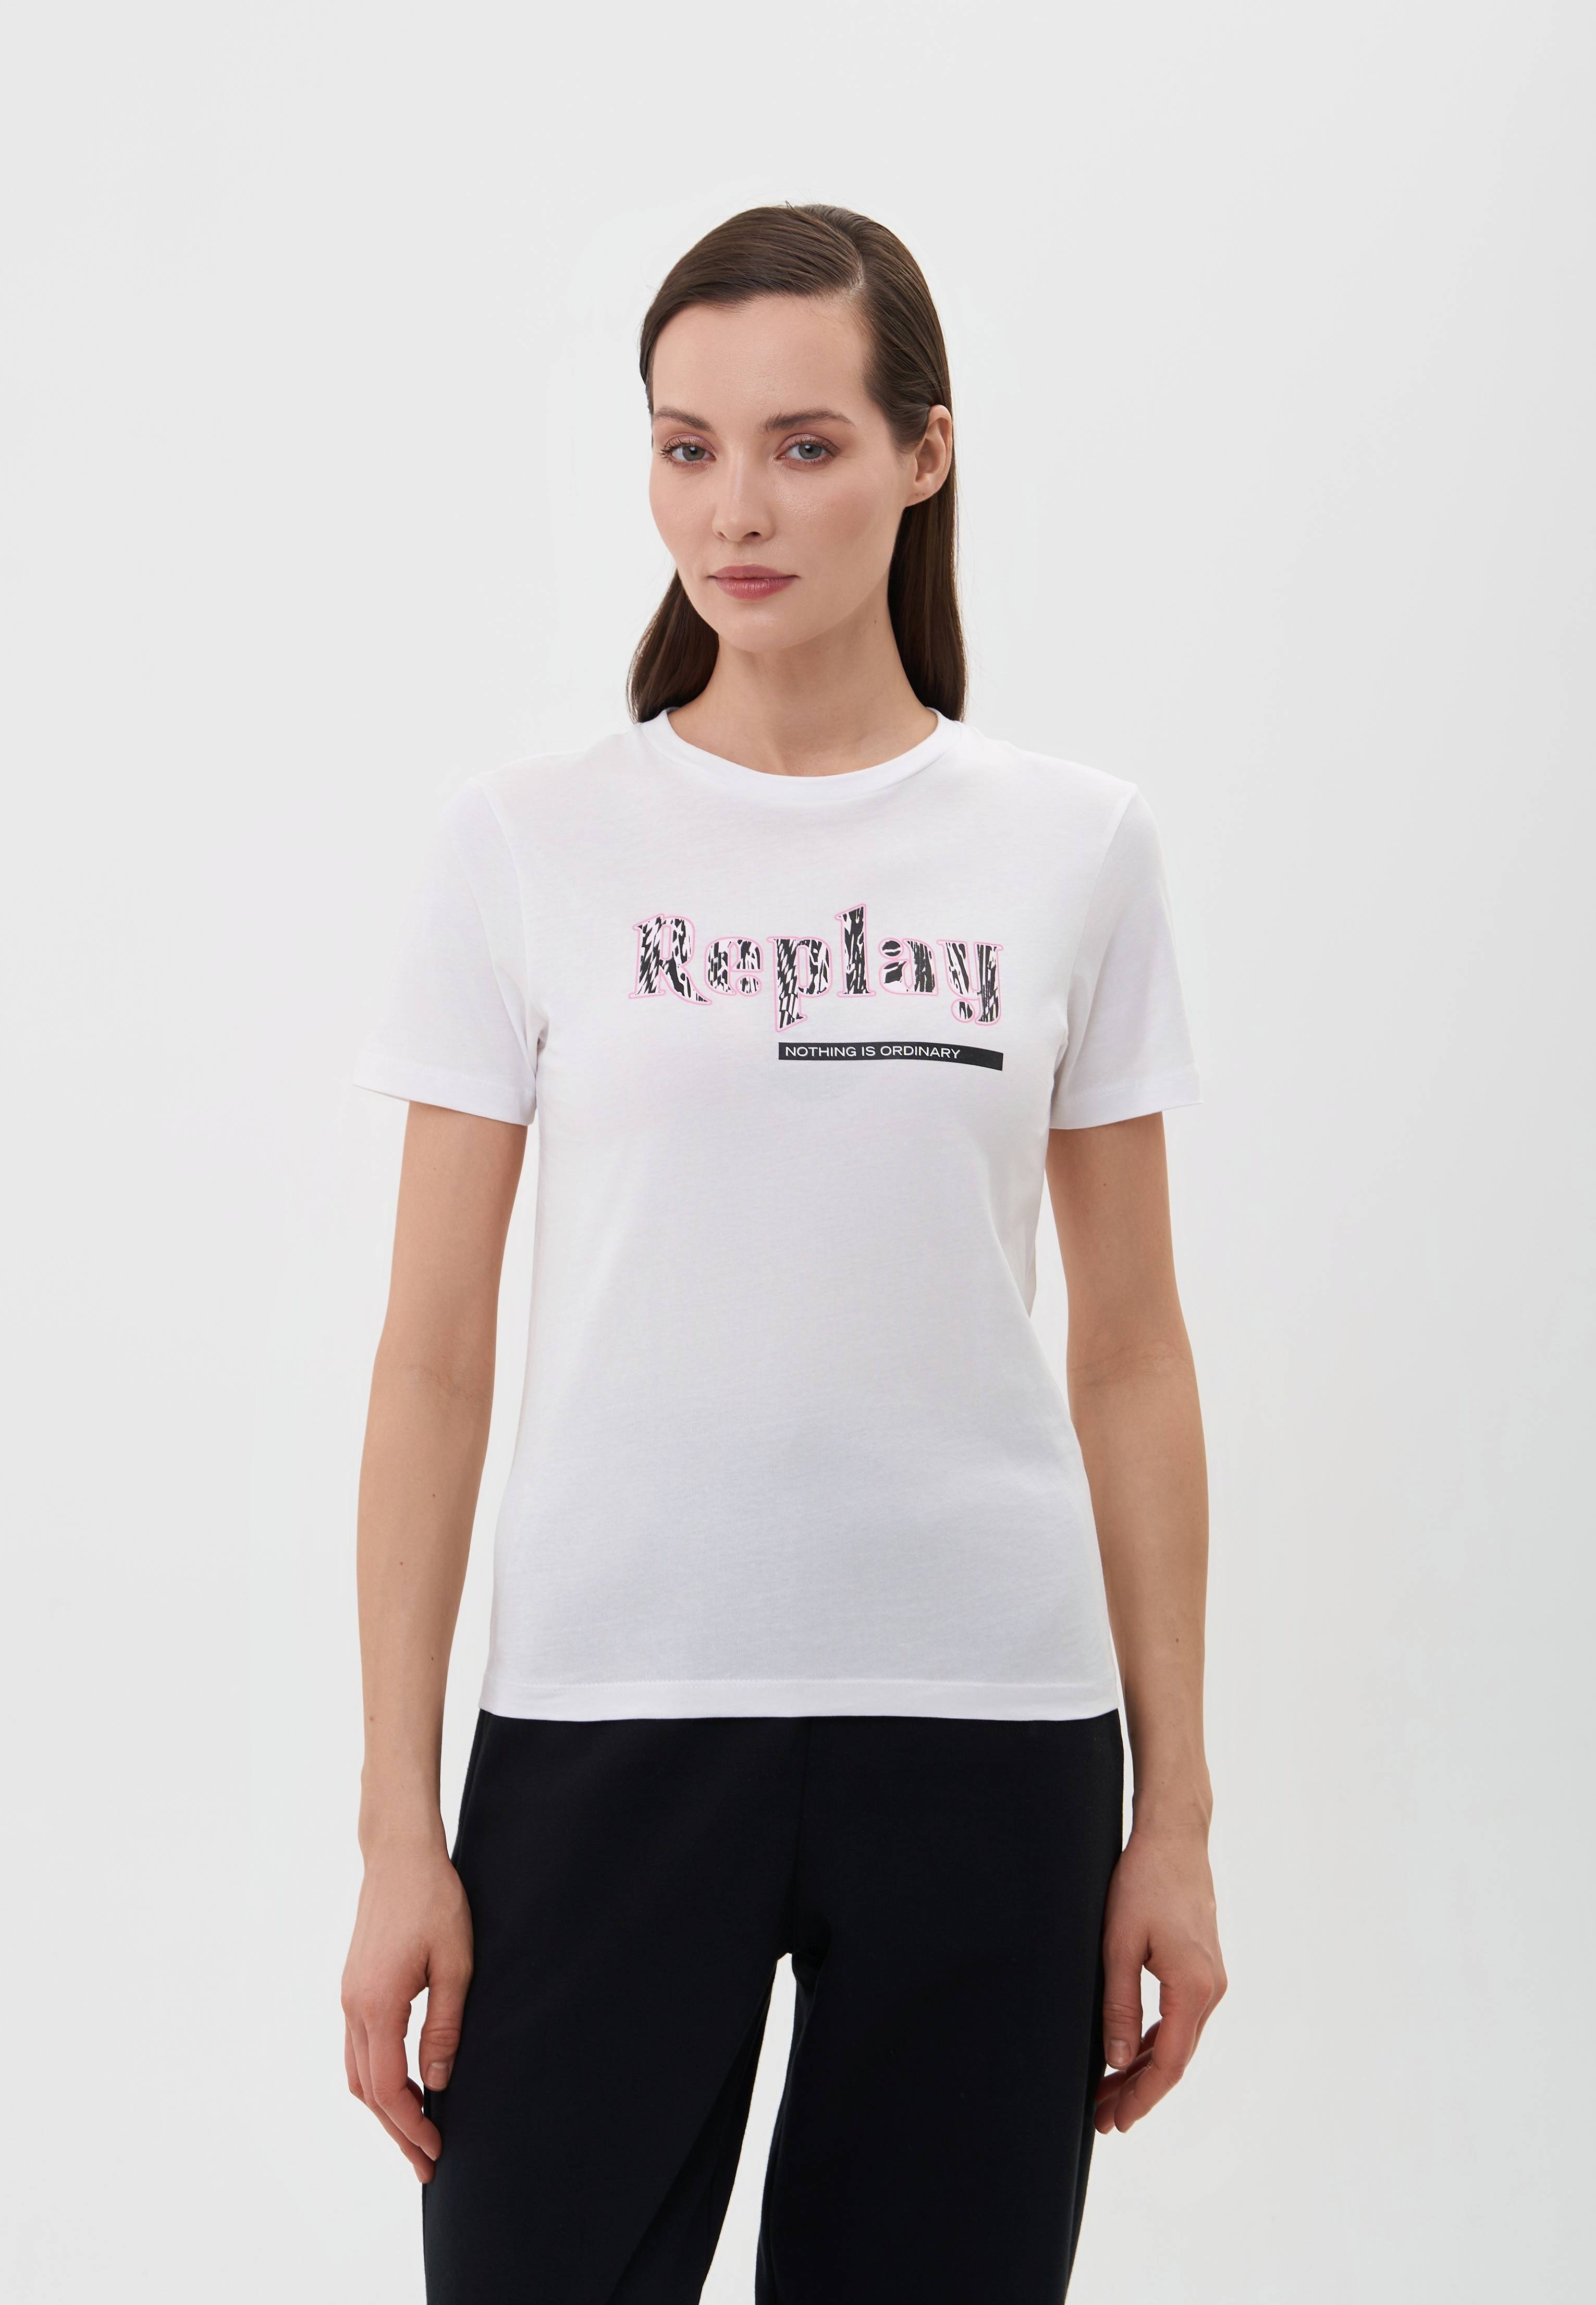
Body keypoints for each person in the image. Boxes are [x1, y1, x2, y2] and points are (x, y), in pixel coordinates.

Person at [340, 201, 1225, 2305]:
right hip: (607, 1720)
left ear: (925, 454)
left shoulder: (1074, 846)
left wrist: (1176, 1814)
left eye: (803, 445)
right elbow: (433, 1359)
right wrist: (397, 1821)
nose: (733, 510)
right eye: (687, 446)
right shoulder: (529, 842)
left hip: (987, 1730)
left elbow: (1130, 1350)